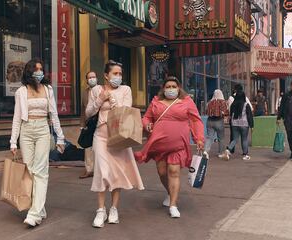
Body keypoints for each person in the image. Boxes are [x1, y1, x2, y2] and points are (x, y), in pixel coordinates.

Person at [135, 76, 204, 218]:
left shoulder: (187, 102)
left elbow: (196, 121)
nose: (171, 89)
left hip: (178, 145)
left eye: (174, 86)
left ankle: (173, 204)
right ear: (163, 89)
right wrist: (147, 124)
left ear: (179, 88)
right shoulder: (156, 102)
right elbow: (146, 117)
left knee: (173, 171)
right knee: (162, 172)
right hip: (159, 146)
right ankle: (170, 192)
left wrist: (199, 138)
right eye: (168, 87)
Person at [86, 60, 144, 228]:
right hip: (101, 136)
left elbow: (125, 111)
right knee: (102, 172)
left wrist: (111, 100)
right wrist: (99, 100)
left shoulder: (126, 90)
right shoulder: (96, 90)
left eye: (120, 74)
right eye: (115, 73)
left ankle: (114, 209)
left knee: (117, 174)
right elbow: (88, 112)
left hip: (119, 137)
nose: (118, 77)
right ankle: (100, 210)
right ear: (106, 75)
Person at [10, 58, 65, 227]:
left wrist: (60, 137)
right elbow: (17, 118)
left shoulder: (48, 89)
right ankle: (39, 209)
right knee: (30, 170)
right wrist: (13, 141)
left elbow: (54, 115)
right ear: (29, 72)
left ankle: (33, 214)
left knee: (41, 171)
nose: (39, 73)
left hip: (42, 129)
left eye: (41, 69)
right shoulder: (21, 91)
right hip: (26, 131)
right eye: (36, 70)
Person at [224, 91, 254, 161]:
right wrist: (252, 125)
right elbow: (249, 116)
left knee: (234, 139)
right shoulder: (246, 105)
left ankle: (228, 150)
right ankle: (245, 154)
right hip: (244, 124)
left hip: (234, 124)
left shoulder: (233, 104)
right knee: (244, 139)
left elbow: (231, 114)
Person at [79, 71, 98, 179]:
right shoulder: (85, 92)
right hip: (88, 122)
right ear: (87, 80)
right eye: (90, 77)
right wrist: (82, 124)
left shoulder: (101, 90)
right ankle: (89, 170)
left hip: (99, 122)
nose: (92, 79)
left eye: (94, 77)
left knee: (98, 147)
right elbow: (83, 109)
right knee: (87, 147)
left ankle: (98, 170)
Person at [204, 89, 228, 158]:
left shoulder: (209, 102)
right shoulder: (223, 102)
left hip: (210, 121)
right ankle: (220, 153)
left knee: (209, 137)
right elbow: (225, 112)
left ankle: (206, 151)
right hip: (219, 121)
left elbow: (206, 111)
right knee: (221, 138)